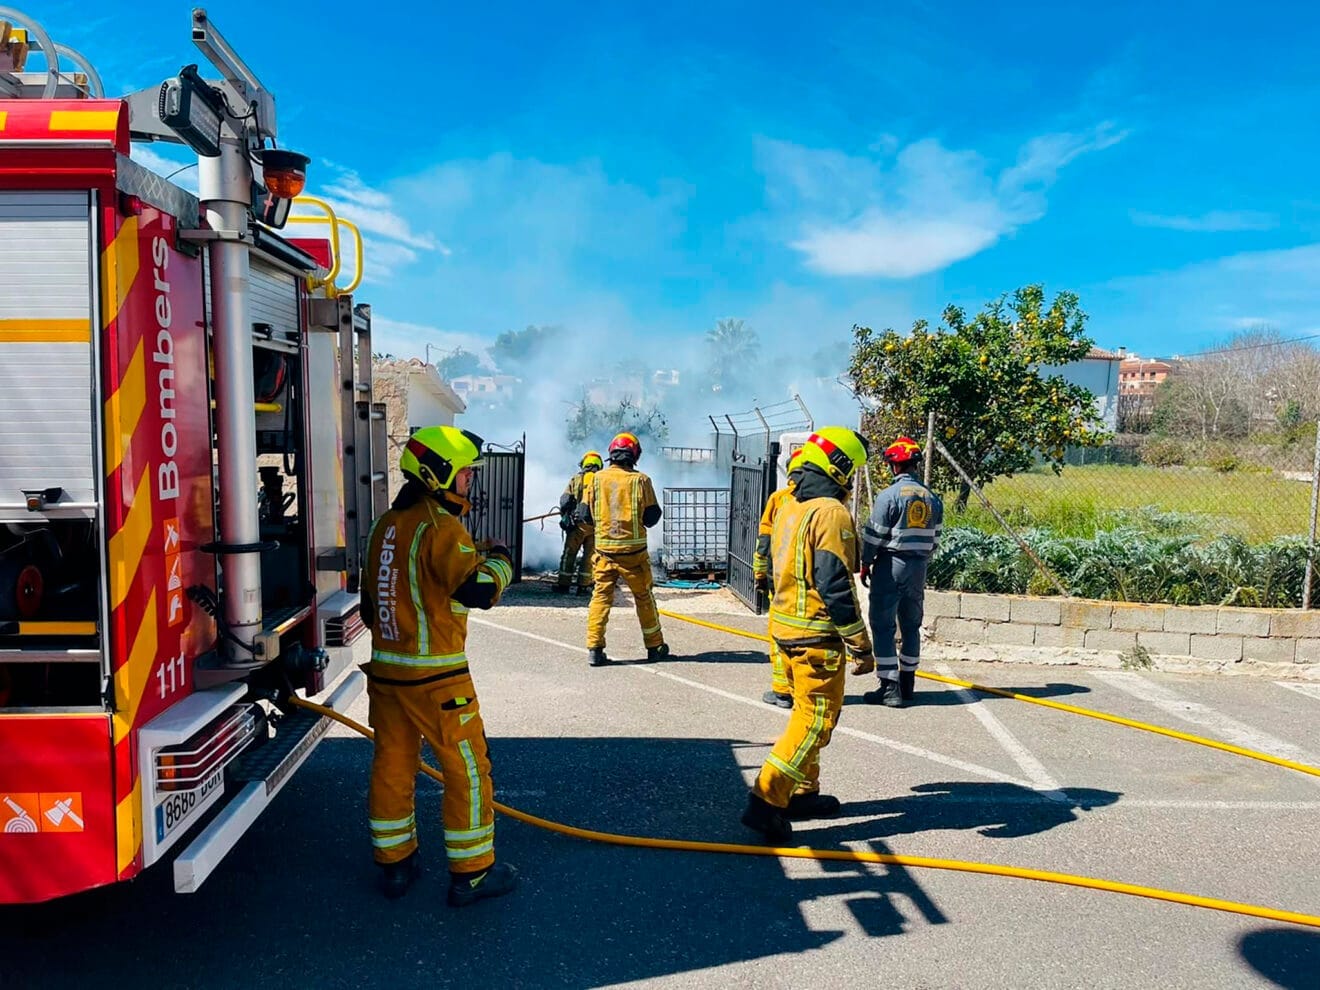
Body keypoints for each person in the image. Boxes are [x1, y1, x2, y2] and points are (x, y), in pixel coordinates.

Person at [360, 426, 519, 906]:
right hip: (438, 679)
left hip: (387, 676)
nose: (471, 479)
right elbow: (478, 592)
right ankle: (472, 873)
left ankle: (395, 865)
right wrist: (500, 560)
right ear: (440, 473)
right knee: (468, 769)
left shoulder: (384, 525)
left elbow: (371, 609)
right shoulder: (441, 527)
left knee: (392, 765)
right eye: (467, 471)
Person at [741, 427, 874, 844]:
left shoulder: (788, 506)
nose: (851, 483)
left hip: (786, 631)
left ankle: (802, 791)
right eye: (849, 472)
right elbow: (835, 584)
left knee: (803, 711)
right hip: (817, 636)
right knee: (815, 722)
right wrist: (860, 643)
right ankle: (767, 800)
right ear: (837, 469)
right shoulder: (830, 513)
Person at [860, 436, 944, 708]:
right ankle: (908, 684)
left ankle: (889, 687)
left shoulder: (888, 496)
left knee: (883, 625)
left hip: (890, 565)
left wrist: (865, 562)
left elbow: (874, 536)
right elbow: (935, 539)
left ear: (895, 467)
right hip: (919, 567)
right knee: (911, 626)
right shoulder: (932, 498)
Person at [576, 431, 670, 665]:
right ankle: (655, 646)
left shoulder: (596, 479)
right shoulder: (641, 481)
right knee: (644, 599)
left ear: (611, 454)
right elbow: (651, 517)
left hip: (604, 552)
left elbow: (584, 515)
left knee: (600, 598)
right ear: (634, 455)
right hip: (634, 555)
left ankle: (595, 649)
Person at [752, 448, 805, 709]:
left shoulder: (779, 498)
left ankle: (783, 690)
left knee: (779, 632)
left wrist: (759, 574)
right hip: (810, 579)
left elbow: (764, 540)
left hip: (779, 577)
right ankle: (807, 689)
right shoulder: (826, 501)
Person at [554, 450, 602, 595]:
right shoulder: (602, 481)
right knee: (589, 557)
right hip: (595, 527)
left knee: (569, 554)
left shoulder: (576, 480)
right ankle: (583, 587)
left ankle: (563, 585)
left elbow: (565, 500)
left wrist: (566, 514)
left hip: (576, 526)